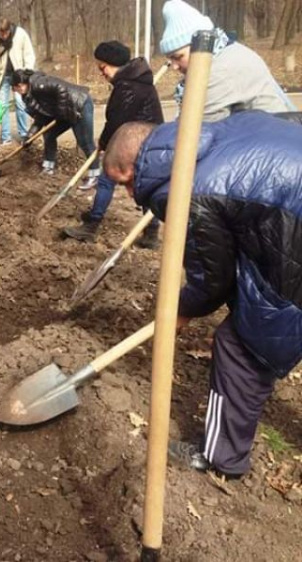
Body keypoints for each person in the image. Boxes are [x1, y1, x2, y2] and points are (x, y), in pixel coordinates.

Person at [104, 112, 302, 477]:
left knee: (239, 346)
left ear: (133, 168)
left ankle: (221, 458)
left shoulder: (185, 189)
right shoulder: (210, 132)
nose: (130, 196)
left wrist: (180, 310)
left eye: (125, 185)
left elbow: (214, 278)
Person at [63, 41, 164, 246]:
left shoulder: (128, 86)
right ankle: (151, 232)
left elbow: (117, 120)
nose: (102, 73)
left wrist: (104, 143)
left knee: (107, 178)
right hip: (145, 139)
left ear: (114, 64)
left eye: (103, 68)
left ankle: (91, 225)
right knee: (144, 183)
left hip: (137, 142)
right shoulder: (135, 80)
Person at [161, 0, 294, 121]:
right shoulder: (229, 51)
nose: (174, 66)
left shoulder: (218, 72)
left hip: (269, 141)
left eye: (178, 57)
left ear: (200, 44)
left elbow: (197, 132)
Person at [12, 69, 99, 188]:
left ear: (21, 84)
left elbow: (60, 88)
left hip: (79, 105)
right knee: (49, 134)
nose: (17, 90)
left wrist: (60, 112)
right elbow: (40, 117)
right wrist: (30, 136)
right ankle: (48, 167)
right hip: (64, 112)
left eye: (17, 87)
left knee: (85, 141)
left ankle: (95, 175)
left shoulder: (38, 83)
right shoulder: (27, 96)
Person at [0, 17, 35, 146]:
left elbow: (29, 54)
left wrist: (27, 74)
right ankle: (5, 137)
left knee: (20, 103)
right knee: (3, 106)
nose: (3, 36)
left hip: (19, 75)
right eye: (0, 34)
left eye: (5, 33)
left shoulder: (20, 34)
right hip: (3, 76)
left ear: (9, 29)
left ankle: (24, 134)